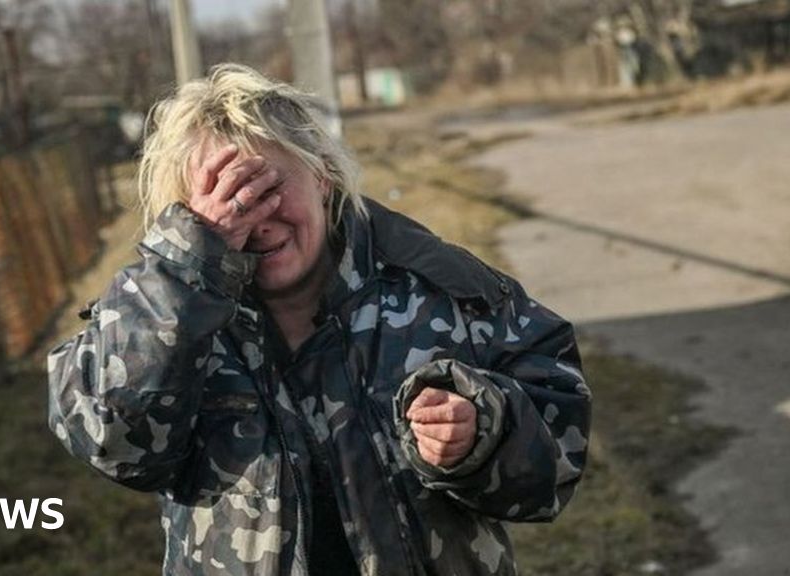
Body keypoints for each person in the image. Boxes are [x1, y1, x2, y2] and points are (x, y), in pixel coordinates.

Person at [46, 63, 592, 576]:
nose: (254, 219)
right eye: (223, 200)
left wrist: (481, 431)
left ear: (323, 177)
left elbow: (559, 435)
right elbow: (112, 443)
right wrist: (189, 265)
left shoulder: (436, 289)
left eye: (266, 187)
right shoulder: (159, 309)